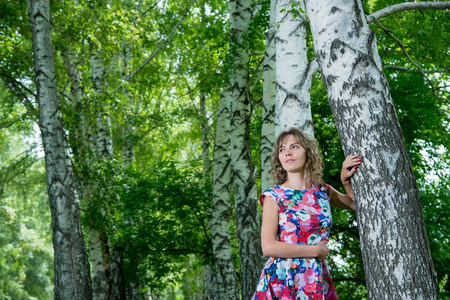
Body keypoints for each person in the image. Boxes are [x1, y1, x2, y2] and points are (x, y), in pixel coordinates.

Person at [252, 127, 362, 300]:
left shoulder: (322, 191)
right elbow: (268, 246)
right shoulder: (274, 196)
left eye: (294, 147)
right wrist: (313, 250)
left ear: (308, 152)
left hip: (315, 277)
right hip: (283, 279)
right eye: (282, 149)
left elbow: (357, 206)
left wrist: (345, 181)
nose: (288, 153)